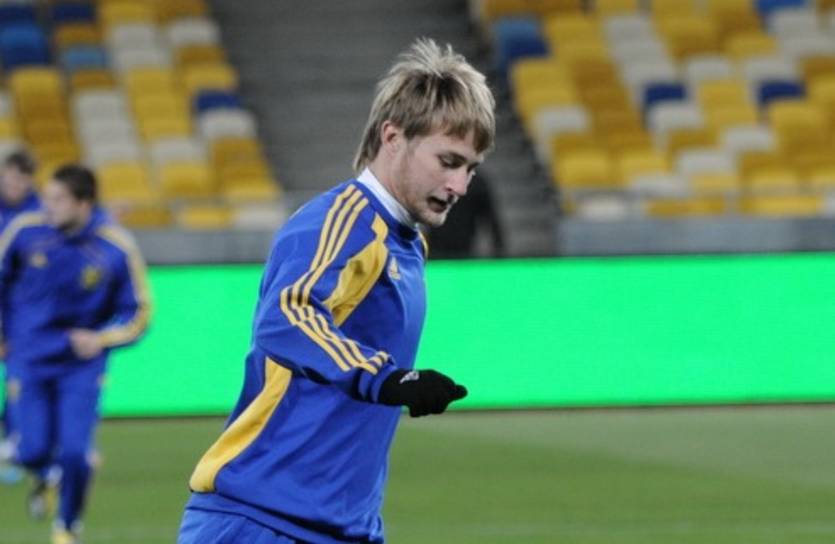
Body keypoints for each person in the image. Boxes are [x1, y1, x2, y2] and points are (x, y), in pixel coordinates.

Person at [178, 38, 495, 544]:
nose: (460, 186)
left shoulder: (408, 243)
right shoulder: (342, 221)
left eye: (470, 168)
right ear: (393, 137)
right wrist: (385, 378)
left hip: (342, 525)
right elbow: (287, 315)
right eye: (448, 160)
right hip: (260, 519)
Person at [0, 164, 151, 544]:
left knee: (76, 453)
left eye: (57, 199)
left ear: (83, 203)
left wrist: (102, 339)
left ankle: (68, 527)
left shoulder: (115, 247)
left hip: (80, 367)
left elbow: (140, 313)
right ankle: (44, 476)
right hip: (28, 358)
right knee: (29, 451)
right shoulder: (25, 231)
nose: (46, 206)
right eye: (47, 197)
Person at [0, 149, 40, 485]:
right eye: (11, 178)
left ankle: (14, 446)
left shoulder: (40, 213)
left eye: (22, 180)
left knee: (19, 382)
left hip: (19, 314)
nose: (16, 185)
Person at [427, 169, 505, 258]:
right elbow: (490, 217)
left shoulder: (477, 183)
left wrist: (498, 244)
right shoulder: (477, 182)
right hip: (446, 244)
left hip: (458, 244)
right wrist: (499, 245)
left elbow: (489, 216)